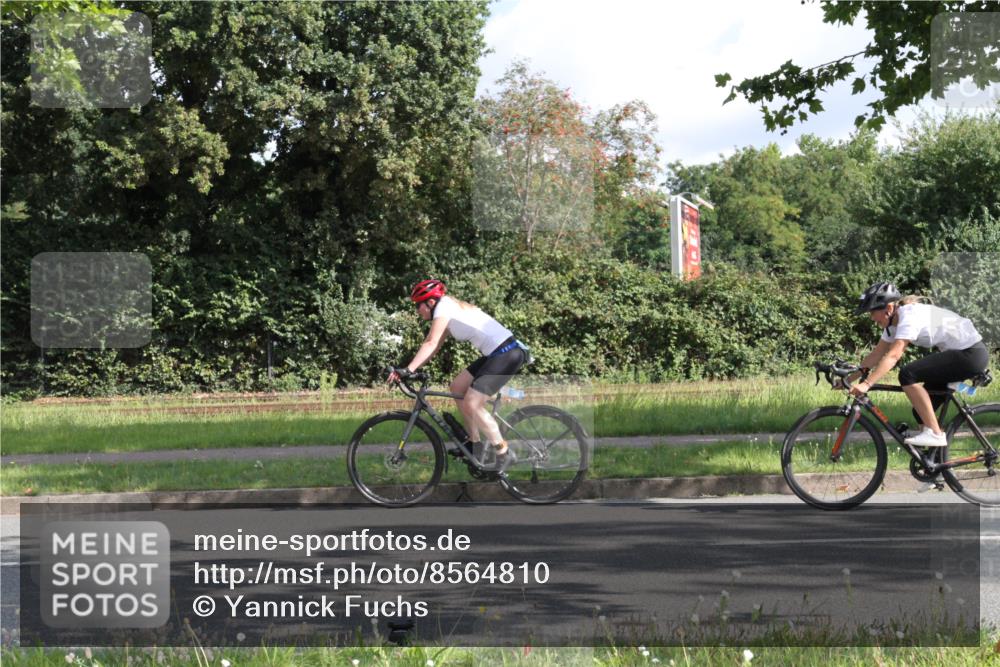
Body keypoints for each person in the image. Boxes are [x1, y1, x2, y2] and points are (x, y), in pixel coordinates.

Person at [388, 279, 528, 470]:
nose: (417, 310)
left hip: (506, 353)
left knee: (472, 402)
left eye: (417, 305)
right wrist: (411, 368)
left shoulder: (444, 308)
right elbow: (435, 346)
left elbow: (430, 342)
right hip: (496, 354)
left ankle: (503, 452)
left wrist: (408, 369)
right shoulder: (446, 309)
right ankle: (475, 445)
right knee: (458, 387)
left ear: (430, 302)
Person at [850, 281, 989, 447]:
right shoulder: (893, 324)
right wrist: (850, 378)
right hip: (960, 355)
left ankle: (936, 434)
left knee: (908, 373)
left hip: (970, 354)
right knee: (920, 412)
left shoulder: (909, 316)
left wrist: (867, 383)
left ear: (888, 309)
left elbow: (893, 355)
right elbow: (876, 355)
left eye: (872, 312)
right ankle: (933, 460)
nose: (872, 318)